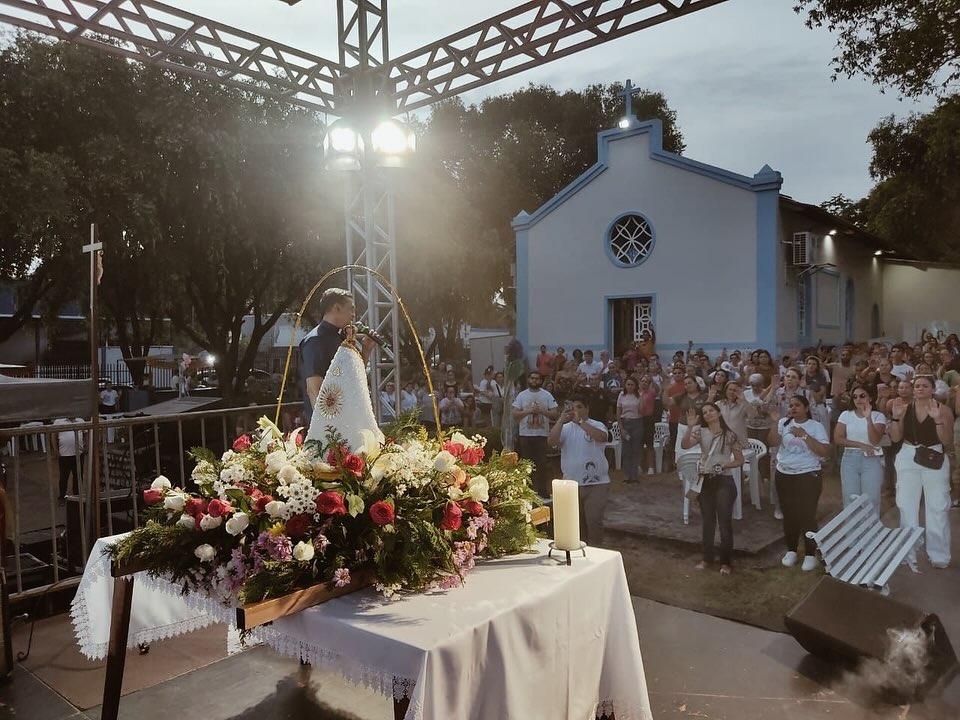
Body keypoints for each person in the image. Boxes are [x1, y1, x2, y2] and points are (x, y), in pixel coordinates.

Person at [887, 375, 955, 569]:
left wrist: (938, 420)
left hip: (934, 457)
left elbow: (947, 441)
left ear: (932, 389)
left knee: (937, 506)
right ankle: (909, 553)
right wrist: (896, 418)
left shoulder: (944, 410)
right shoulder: (903, 408)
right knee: (906, 506)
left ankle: (939, 555)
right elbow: (895, 437)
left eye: (925, 386)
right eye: (916, 386)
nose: (920, 389)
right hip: (908, 456)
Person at [767, 395, 830, 571]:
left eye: (797, 405)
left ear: (806, 407)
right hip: (784, 474)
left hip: (808, 475)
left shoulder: (815, 427)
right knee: (789, 514)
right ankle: (792, 550)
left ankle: (811, 553)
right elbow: (772, 442)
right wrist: (774, 422)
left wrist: (804, 435)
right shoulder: (783, 424)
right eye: (790, 405)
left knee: (807, 514)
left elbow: (824, 451)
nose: (793, 408)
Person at [682, 403, 744, 575]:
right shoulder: (700, 432)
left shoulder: (730, 435)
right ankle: (707, 558)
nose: (708, 414)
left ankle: (726, 562)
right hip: (706, 481)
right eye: (704, 412)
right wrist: (689, 427)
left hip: (724, 480)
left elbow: (740, 459)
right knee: (708, 521)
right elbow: (685, 445)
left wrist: (725, 464)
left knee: (724, 522)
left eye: (711, 411)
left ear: (718, 413)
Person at [299, 288, 375, 425]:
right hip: (330, 427)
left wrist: (366, 350)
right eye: (351, 309)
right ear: (337, 308)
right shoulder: (315, 340)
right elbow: (313, 389)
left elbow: (355, 376)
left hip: (348, 419)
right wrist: (326, 426)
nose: (353, 315)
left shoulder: (340, 338)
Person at [547, 394, 611, 546]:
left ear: (587, 409)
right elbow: (551, 442)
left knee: (594, 521)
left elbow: (602, 437)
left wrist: (581, 422)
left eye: (579, 407)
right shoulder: (565, 428)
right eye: (572, 407)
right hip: (571, 484)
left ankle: (597, 554)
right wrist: (561, 420)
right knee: (576, 524)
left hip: (597, 483)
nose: (575, 410)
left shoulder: (597, 424)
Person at [834, 384, 886, 515]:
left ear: (870, 398)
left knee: (872, 499)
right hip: (849, 459)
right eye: (855, 397)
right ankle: (853, 535)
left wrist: (868, 418)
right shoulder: (846, 415)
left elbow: (874, 440)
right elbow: (838, 438)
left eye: (862, 396)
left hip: (871, 459)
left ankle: (872, 534)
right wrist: (860, 445)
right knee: (850, 499)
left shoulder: (878, 416)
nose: (858, 399)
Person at [512, 371, 559, 495]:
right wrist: (528, 411)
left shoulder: (547, 395)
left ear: (540, 381)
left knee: (542, 463)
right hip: (525, 435)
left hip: (542, 435)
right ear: (528, 379)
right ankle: (528, 490)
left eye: (537, 379)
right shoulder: (522, 395)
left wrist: (542, 411)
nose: (534, 381)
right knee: (526, 464)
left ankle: (542, 490)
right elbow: (515, 414)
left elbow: (555, 414)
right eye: (532, 378)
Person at [616, 377, 644, 484]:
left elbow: (642, 411)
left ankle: (634, 476)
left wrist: (641, 398)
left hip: (637, 422)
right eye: (628, 384)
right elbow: (618, 412)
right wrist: (621, 427)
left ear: (635, 386)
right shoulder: (621, 395)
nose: (630, 387)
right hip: (625, 422)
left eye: (632, 385)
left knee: (636, 449)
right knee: (626, 450)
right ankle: (627, 475)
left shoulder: (639, 396)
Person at [54, 418, 84, 502]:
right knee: (64, 477)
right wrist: (56, 450)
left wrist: (86, 446)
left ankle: (77, 497)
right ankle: (62, 497)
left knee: (78, 477)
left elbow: (86, 433)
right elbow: (53, 436)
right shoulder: (58, 421)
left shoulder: (80, 420)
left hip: (78, 454)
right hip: (64, 455)